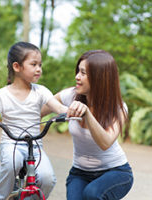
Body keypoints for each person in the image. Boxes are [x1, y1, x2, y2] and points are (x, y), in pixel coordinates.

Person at [0, 42, 81, 200]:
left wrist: (72, 111)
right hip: (11, 144)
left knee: (48, 179)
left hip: (35, 146)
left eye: (40, 64)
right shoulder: (1, 95)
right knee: (12, 164)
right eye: (33, 64)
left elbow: (59, 108)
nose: (39, 69)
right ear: (17, 66)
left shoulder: (41, 91)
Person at [41, 50, 134, 200]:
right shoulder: (70, 95)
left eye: (83, 73)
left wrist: (87, 114)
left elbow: (105, 143)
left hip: (116, 172)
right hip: (80, 173)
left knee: (92, 194)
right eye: (78, 71)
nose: (77, 77)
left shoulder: (118, 107)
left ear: (99, 78)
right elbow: (39, 112)